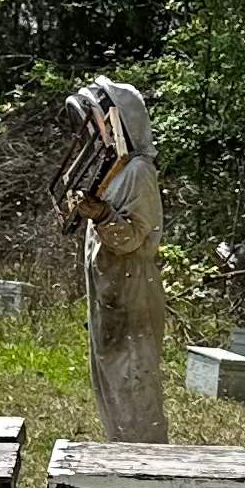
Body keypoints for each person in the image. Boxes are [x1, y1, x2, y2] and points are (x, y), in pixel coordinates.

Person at [62, 77, 169, 441]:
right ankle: (121, 454)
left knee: (134, 380)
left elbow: (135, 239)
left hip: (133, 289)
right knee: (112, 380)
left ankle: (147, 464)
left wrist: (101, 214)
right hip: (112, 288)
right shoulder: (114, 168)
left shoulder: (138, 171)